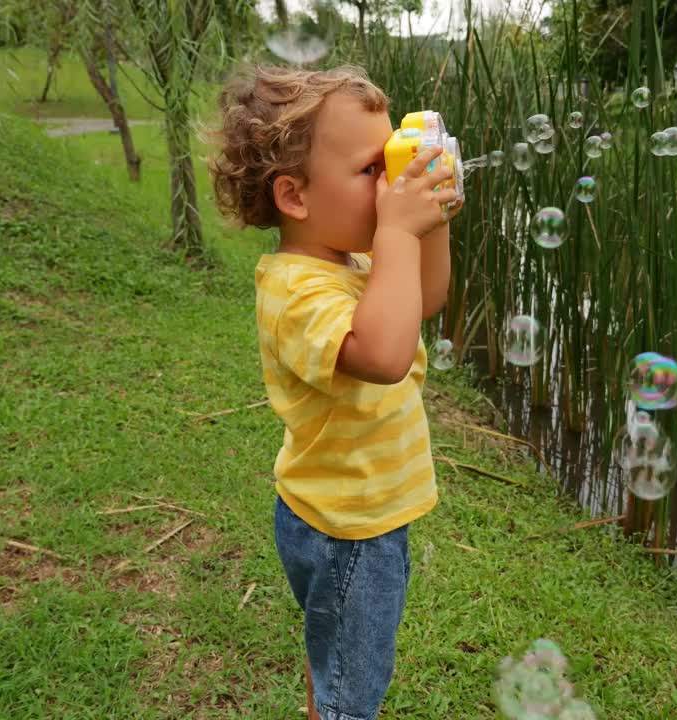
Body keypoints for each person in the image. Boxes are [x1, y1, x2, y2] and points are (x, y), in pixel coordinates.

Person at [208, 64, 461, 720]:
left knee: (337, 660)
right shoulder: (296, 290)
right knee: (354, 693)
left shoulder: (357, 257)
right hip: (348, 531)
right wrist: (400, 231)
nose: (390, 185)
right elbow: (382, 356)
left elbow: (424, 300)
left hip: (354, 515)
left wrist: (425, 223)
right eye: (373, 170)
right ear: (295, 196)